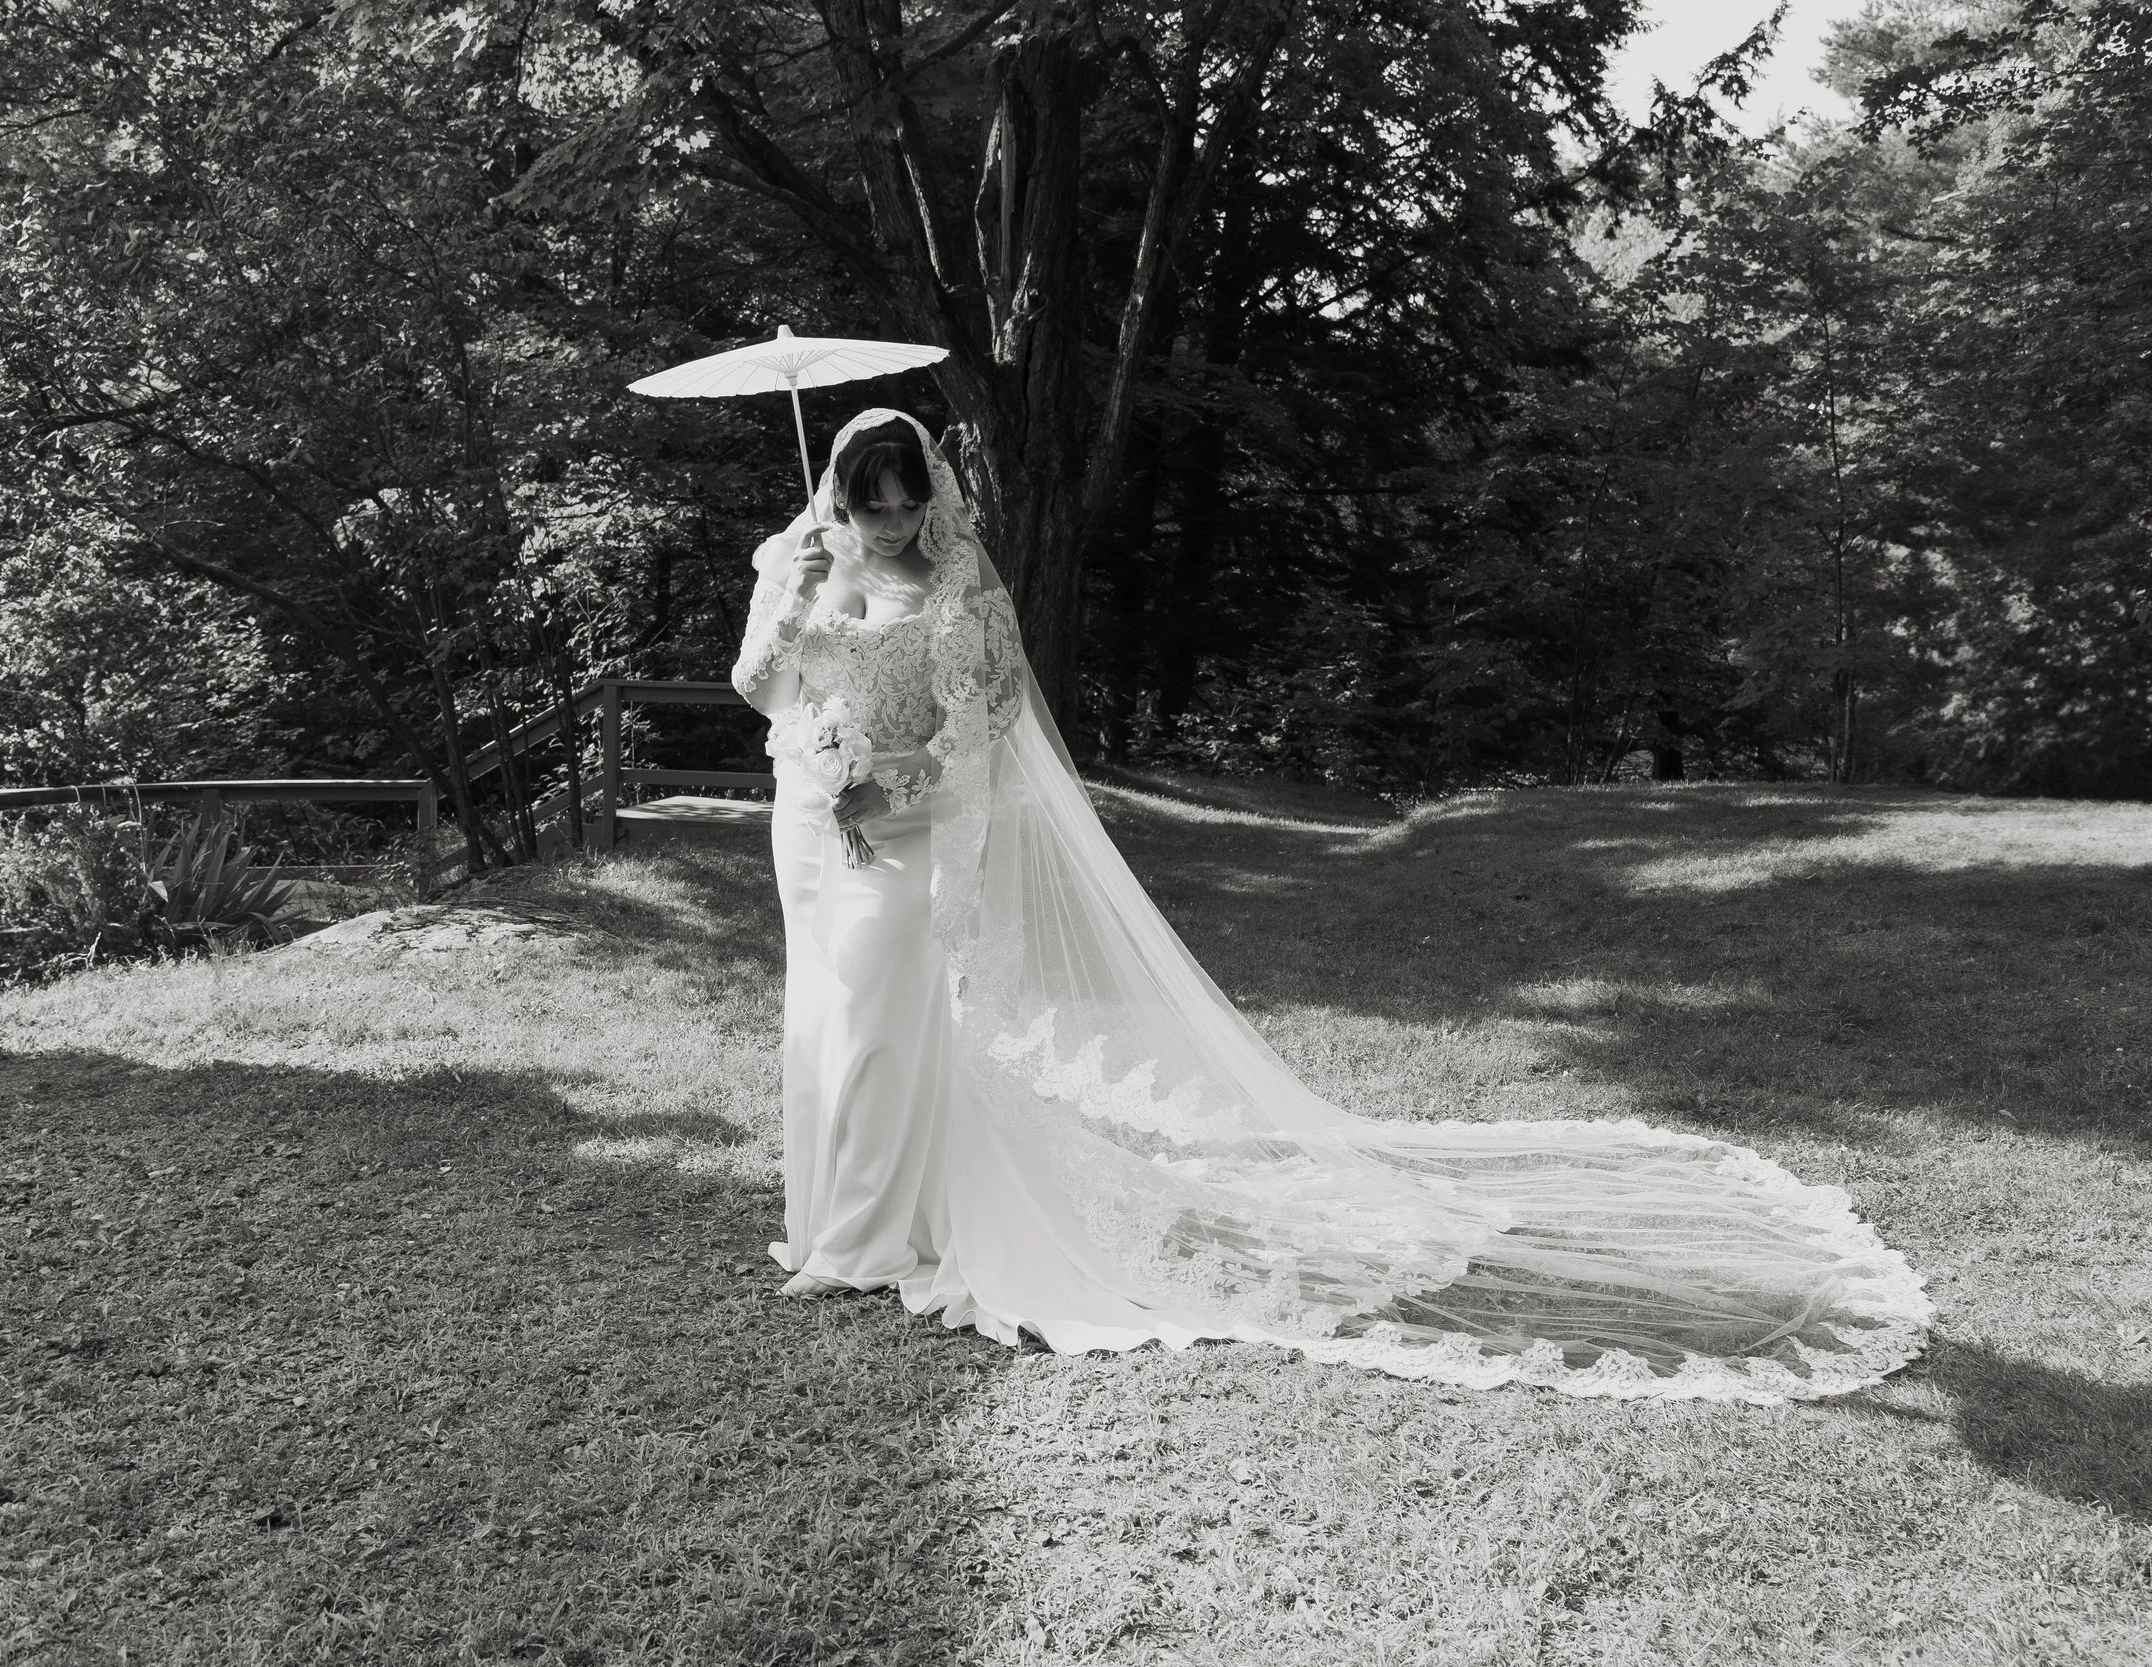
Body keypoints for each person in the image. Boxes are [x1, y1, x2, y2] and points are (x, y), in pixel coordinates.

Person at [734, 409, 1932, 1401]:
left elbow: (989, 723)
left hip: (906, 836)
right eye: (870, 499)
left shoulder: (959, 589)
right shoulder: (797, 565)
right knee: (826, 1027)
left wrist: (902, 781)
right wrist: (792, 628)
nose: (890, 518)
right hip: (813, 827)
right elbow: (759, 690)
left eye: (904, 497)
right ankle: (836, 1212)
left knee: (891, 1022)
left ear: (927, 495)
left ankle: (870, 1242)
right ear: (839, 494)